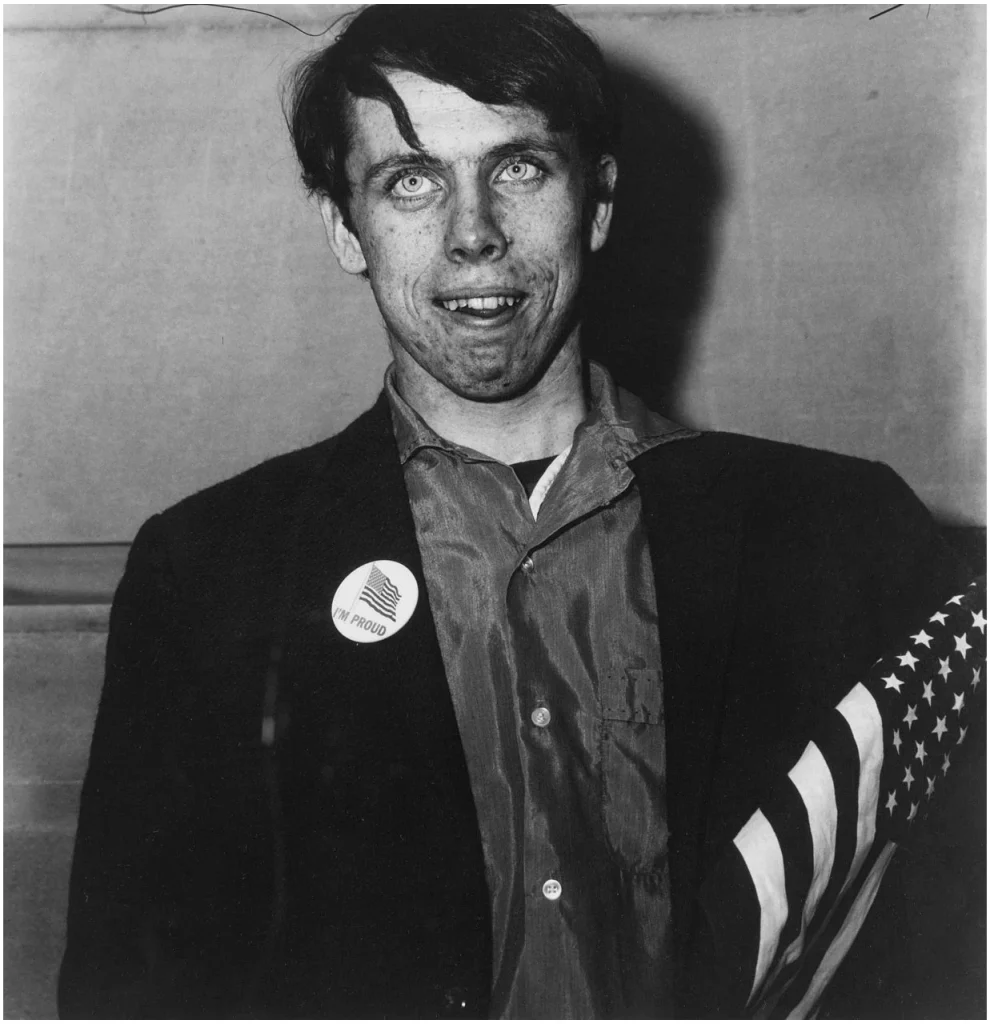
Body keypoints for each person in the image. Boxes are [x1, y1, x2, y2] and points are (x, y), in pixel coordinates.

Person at [58, 5, 981, 1018]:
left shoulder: (845, 539)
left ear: (596, 203)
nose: (473, 234)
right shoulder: (208, 574)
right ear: (343, 227)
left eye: (519, 168)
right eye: (410, 180)